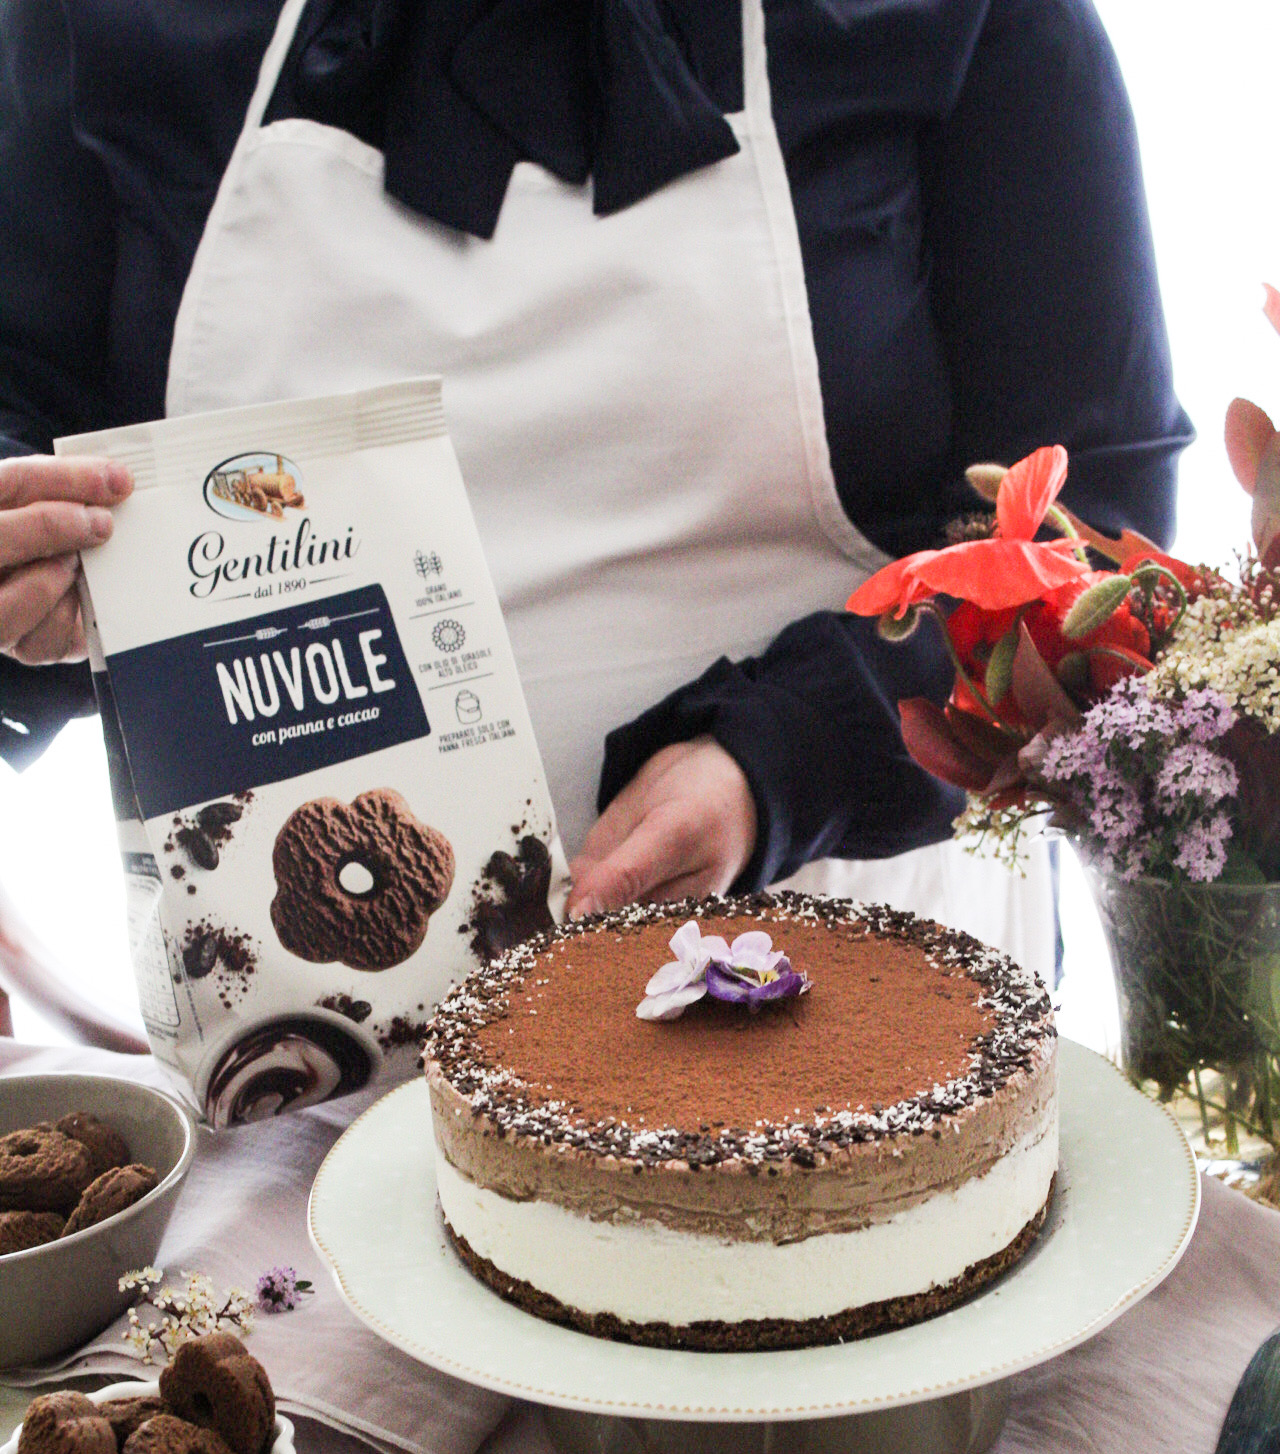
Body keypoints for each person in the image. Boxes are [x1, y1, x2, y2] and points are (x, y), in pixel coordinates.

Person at [0, 0, 1190, 955]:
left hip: (840, 961)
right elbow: (28, 412)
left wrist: (785, 763)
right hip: (295, 1040)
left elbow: (1093, 543)